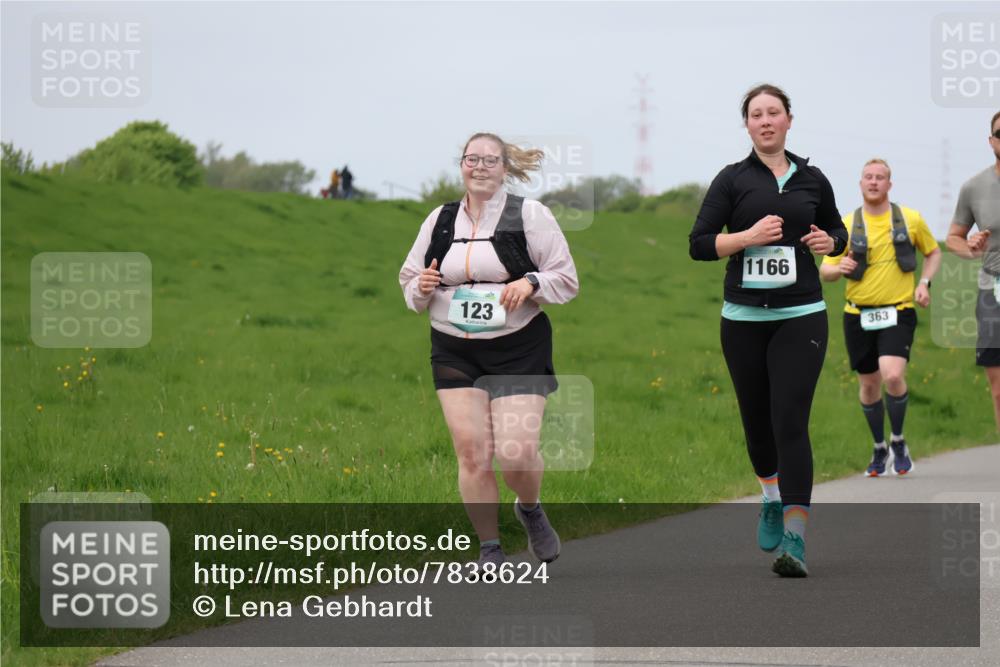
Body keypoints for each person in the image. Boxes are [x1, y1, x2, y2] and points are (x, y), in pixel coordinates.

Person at [689, 84, 848, 578]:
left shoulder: (813, 178)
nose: (765, 121)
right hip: (743, 321)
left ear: (788, 120)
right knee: (757, 424)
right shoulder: (732, 180)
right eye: (756, 114)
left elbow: (837, 232)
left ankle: (796, 540)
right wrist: (746, 238)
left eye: (773, 112)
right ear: (747, 125)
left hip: (801, 315)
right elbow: (698, 244)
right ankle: (771, 498)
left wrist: (830, 241)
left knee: (790, 419)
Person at [399, 132, 579, 568]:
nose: (479, 167)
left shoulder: (529, 215)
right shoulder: (439, 220)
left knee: (516, 452)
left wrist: (530, 282)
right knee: (472, 452)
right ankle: (490, 549)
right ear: (461, 165)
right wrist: (420, 287)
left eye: (489, 160)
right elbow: (408, 281)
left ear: (504, 168)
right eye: (471, 159)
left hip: (519, 347)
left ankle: (530, 508)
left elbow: (566, 279)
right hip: (454, 349)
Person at [820, 159, 941, 476]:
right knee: (870, 386)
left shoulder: (910, 220)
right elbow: (825, 270)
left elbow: (933, 252)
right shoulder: (846, 224)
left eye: (880, 177)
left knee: (892, 375)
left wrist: (925, 284)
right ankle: (879, 448)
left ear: (890, 184)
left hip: (898, 310)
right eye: (868, 177)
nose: (874, 182)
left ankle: (899, 440)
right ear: (860, 184)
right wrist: (839, 268)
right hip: (857, 315)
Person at [946, 110, 1000, 430]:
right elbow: (954, 237)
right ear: (991, 140)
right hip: (993, 290)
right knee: (998, 388)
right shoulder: (974, 187)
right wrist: (970, 246)